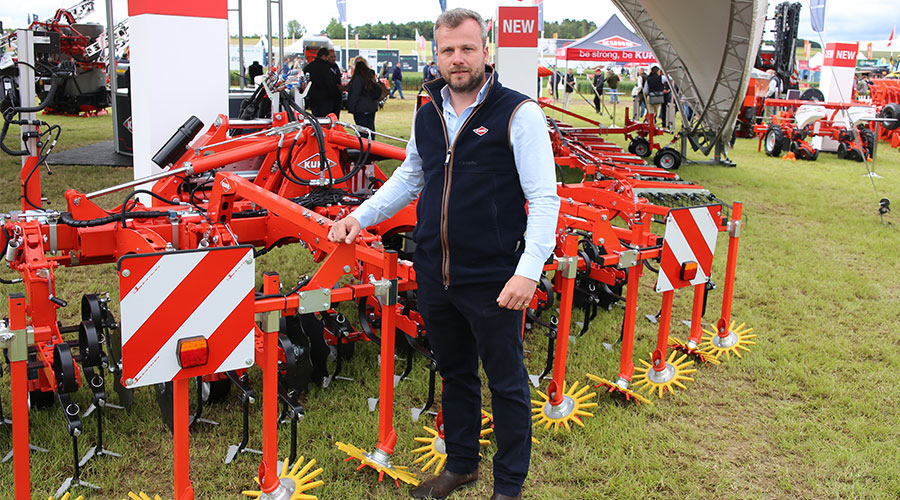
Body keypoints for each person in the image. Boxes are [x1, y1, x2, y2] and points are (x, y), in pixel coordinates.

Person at [328, 8, 558, 500]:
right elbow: (411, 178)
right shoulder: (427, 110)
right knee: (454, 372)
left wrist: (528, 272)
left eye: (467, 49)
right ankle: (461, 465)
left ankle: (510, 486)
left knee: (507, 382)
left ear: (485, 51)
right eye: (448, 50)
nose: (457, 59)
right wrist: (360, 217)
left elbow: (544, 199)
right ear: (437, 54)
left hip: (495, 276)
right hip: (435, 270)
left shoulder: (519, 113)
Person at [302, 46, 342, 117]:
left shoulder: (309, 66)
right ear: (324, 56)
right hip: (326, 99)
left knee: (317, 117)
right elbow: (329, 83)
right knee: (326, 120)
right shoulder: (326, 67)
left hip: (313, 97)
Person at [346, 57, 381, 135]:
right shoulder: (371, 75)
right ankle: (372, 144)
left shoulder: (357, 78)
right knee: (371, 128)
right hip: (371, 107)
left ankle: (364, 146)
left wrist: (351, 107)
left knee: (362, 131)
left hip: (360, 108)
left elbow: (355, 94)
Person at [328, 49, 344, 118]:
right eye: (331, 57)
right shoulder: (325, 67)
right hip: (328, 98)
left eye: (334, 57)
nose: (334, 59)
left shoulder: (335, 66)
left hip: (337, 97)